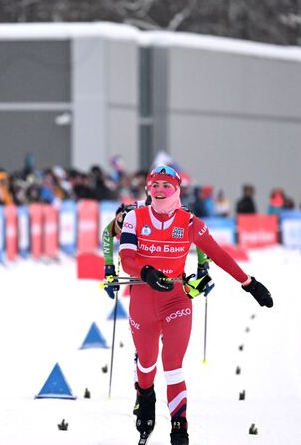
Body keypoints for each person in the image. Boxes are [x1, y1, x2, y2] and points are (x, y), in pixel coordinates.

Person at [114, 166, 273, 445]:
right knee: (147, 363)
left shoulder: (189, 222)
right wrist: (148, 272)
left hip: (176, 300)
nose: (161, 190)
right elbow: (126, 258)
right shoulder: (134, 218)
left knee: (172, 365)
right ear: (149, 189)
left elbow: (218, 254)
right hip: (142, 302)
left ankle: (179, 425)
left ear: (177, 190)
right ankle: (146, 396)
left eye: (167, 185)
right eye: (156, 185)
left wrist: (249, 283)